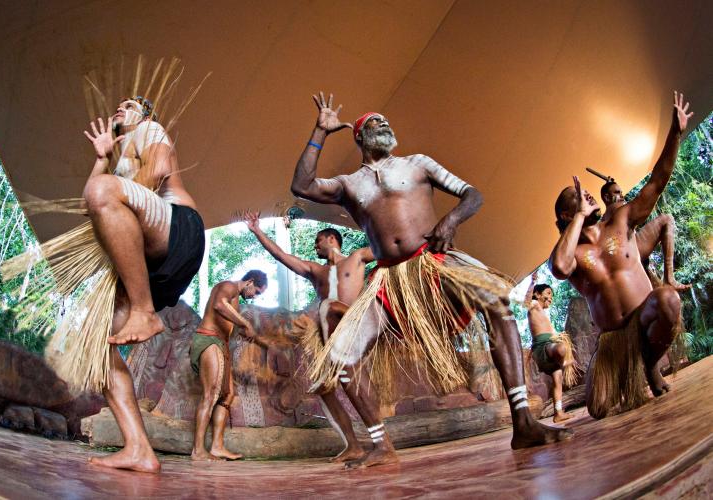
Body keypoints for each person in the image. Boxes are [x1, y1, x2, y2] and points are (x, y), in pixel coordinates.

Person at [291, 93, 571, 467]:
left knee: (496, 300)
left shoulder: (418, 164)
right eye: (375, 122)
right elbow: (302, 184)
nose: (384, 125)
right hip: (390, 281)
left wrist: (451, 221)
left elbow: (473, 194)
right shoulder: (348, 184)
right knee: (341, 354)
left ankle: (523, 422)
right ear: (358, 137)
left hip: (434, 263)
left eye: (386, 121)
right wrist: (320, 131)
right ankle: (380, 445)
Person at [549, 91, 692, 419]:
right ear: (567, 216)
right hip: (613, 339)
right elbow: (558, 267)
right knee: (598, 408)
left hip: (644, 316)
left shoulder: (621, 220)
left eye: (585, 192)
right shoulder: (572, 253)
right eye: (578, 196)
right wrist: (580, 218)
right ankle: (624, 366)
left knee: (668, 300)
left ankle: (650, 366)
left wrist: (675, 134)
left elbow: (656, 183)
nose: (586, 193)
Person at [83, 97, 205, 472]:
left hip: (177, 230)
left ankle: (144, 311)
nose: (121, 108)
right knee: (99, 347)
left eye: (130, 104)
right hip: (149, 266)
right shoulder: (117, 162)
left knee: (102, 191)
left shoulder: (149, 130)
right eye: (118, 105)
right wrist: (103, 158)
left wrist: (110, 184)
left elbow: (155, 171)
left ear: (145, 114)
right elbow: (89, 202)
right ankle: (139, 449)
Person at [245, 212, 372, 463]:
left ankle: (380, 442)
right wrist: (258, 231)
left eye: (318, 241)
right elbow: (282, 256)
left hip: (355, 328)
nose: (315, 245)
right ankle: (353, 445)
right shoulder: (316, 271)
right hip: (330, 337)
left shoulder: (358, 258)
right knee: (324, 389)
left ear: (331, 239)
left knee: (354, 381)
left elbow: (391, 249)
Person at [190, 270, 268, 461]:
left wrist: (261, 341)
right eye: (256, 292)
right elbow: (218, 305)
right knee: (212, 393)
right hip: (209, 340)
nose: (254, 297)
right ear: (249, 281)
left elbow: (230, 326)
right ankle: (198, 450)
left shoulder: (236, 302)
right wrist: (244, 323)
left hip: (220, 345)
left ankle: (217, 446)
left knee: (228, 394)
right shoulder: (228, 286)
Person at [596, 177, 689, 291]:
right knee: (666, 219)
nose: (622, 196)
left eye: (621, 193)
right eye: (617, 193)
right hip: (625, 254)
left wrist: (611, 185)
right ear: (606, 197)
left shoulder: (616, 214)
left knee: (666, 219)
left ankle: (668, 279)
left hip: (634, 251)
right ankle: (668, 279)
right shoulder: (610, 214)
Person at [522, 272, 577, 423]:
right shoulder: (534, 306)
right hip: (543, 347)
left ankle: (558, 413)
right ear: (538, 295)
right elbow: (525, 303)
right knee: (561, 349)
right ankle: (564, 361)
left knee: (558, 380)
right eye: (548, 293)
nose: (550, 297)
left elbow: (553, 333)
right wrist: (532, 282)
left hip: (548, 348)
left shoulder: (545, 315)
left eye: (552, 295)